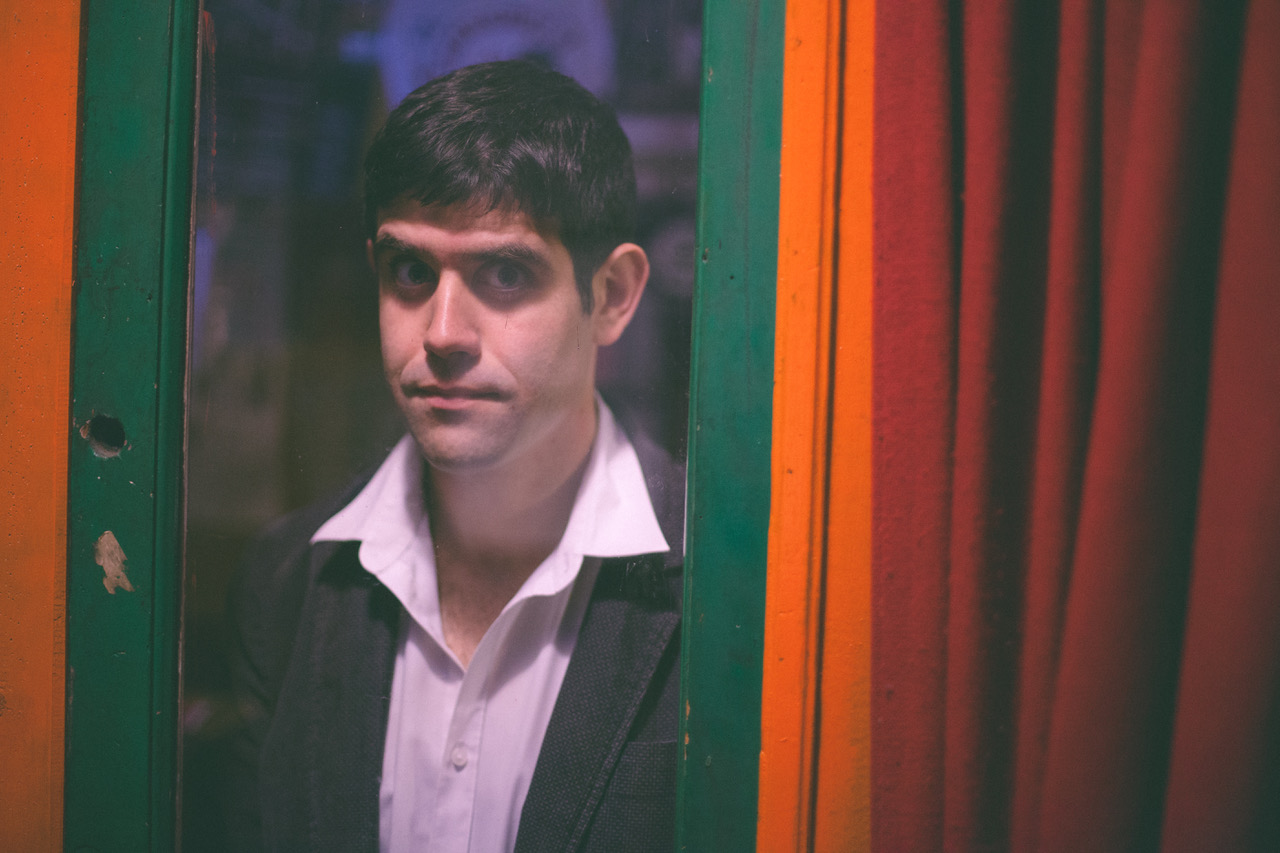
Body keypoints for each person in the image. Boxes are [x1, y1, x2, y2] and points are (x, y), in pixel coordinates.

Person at [226, 60, 684, 853]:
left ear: (611, 296)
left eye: (504, 273)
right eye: (410, 271)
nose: (442, 334)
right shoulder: (287, 582)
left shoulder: (724, 585)